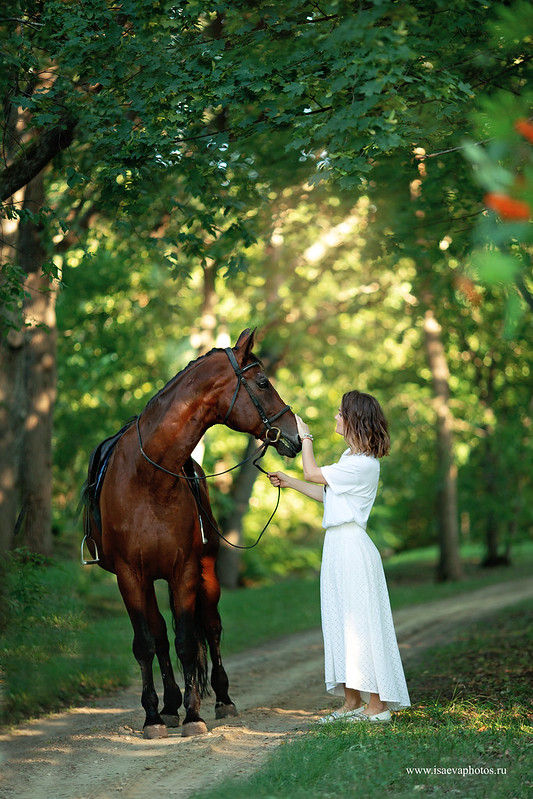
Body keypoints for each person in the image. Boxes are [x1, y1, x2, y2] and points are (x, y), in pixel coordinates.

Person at [268, 390, 410, 723]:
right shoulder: (350, 458)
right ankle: (351, 703)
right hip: (337, 546)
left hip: (352, 548)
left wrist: (306, 439)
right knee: (339, 621)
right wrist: (288, 483)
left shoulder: (363, 465)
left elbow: (314, 473)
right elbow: (324, 492)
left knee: (362, 623)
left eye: (339, 413)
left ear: (354, 420)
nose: (335, 417)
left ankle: (377, 707)